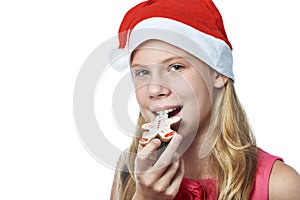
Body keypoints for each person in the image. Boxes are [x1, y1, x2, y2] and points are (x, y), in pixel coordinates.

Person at [109, 0, 300, 199]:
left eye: (176, 67)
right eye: (142, 72)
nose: (155, 89)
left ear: (218, 74)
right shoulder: (129, 172)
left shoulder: (279, 186)